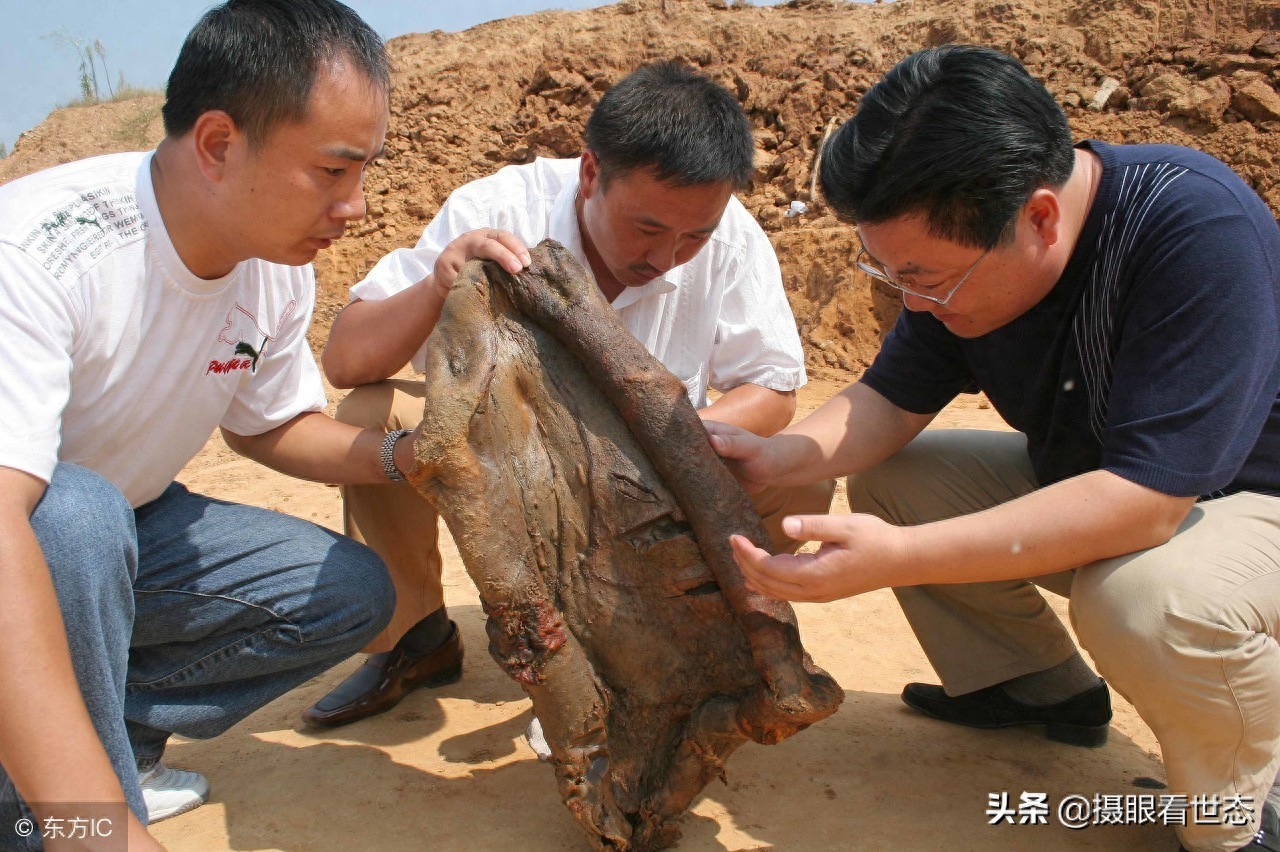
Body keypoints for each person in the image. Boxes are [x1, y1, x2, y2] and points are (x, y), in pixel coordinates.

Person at [707, 44, 1280, 852]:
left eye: (926, 279)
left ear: (1040, 217)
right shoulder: (968, 253)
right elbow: (886, 402)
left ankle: (1239, 817)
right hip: (1126, 489)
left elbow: (1147, 503)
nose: (913, 299)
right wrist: (777, 457)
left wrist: (897, 557)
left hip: (1249, 508)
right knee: (897, 476)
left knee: (1148, 601)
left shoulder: (1192, 228)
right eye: (895, 275)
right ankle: (1038, 689)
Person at [0, 1, 428, 846]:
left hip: (127, 524)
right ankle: (60, 816)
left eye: (366, 172)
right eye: (334, 173)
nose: (359, 206)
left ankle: (77, 753)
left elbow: (266, 427)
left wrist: (407, 456)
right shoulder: (42, 253)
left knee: (349, 594)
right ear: (220, 145)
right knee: (73, 518)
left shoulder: (271, 266)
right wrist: (103, 833)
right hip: (40, 529)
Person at [304, 60, 835, 728]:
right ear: (590, 173)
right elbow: (349, 358)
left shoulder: (730, 237)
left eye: (694, 235)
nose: (670, 254)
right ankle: (414, 639)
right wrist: (440, 283)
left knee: (802, 487)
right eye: (647, 228)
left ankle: (697, 647)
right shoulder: (497, 210)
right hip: (515, 464)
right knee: (375, 415)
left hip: (651, 478)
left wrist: (662, 447)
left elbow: (772, 385)